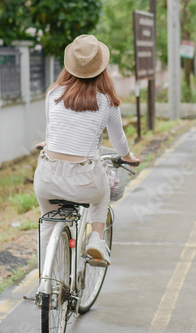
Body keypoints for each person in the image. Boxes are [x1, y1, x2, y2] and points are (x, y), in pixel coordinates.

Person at [33, 35, 140, 266]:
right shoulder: (107, 101)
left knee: (48, 223)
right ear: (102, 68)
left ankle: (45, 281)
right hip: (84, 184)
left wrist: (48, 145)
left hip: (47, 178)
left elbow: (54, 129)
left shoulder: (53, 93)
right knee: (102, 194)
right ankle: (97, 238)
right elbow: (118, 140)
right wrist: (127, 157)